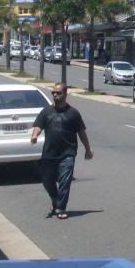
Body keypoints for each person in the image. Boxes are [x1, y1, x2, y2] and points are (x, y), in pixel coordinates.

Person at [30, 83, 92, 220]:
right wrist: (35, 135)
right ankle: (55, 199)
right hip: (49, 152)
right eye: (53, 93)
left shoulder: (73, 113)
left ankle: (61, 208)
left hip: (68, 152)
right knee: (47, 180)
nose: (55, 95)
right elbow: (38, 126)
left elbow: (81, 132)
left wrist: (88, 150)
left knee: (65, 180)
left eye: (58, 93)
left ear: (65, 94)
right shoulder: (46, 111)